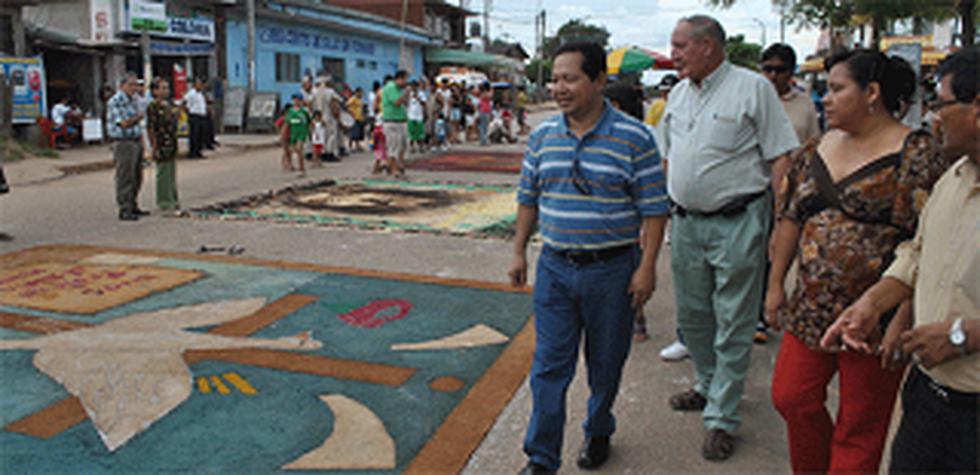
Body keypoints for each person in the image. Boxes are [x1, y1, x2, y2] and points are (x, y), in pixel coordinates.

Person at [766, 49, 946, 474]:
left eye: (836, 89)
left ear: (872, 93)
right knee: (792, 397)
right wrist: (776, 284)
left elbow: (923, 243)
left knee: (860, 424)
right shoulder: (818, 147)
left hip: (875, 317)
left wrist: (903, 315)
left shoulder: (914, 153)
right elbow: (791, 216)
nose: (824, 99)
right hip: (811, 309)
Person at [510, 41, 669, 475]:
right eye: (555, 78)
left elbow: (655, 209)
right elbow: (528, 198)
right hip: (556, 269)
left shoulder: (635, 138)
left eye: (570, 78)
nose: (559, 88)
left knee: (605, 364)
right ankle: (541, 458)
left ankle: (599, 428)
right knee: (549, 367)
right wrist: (519, 250)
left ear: (599, 81)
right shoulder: (542, 136)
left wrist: (647, 267)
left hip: (613, 271)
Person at [821, 45, 978, 474]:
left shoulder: (923, 158)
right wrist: (871, 305)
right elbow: (916, 254)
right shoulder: (954, 179)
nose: (932, 117)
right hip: (930, 394)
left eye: (942, 104)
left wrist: (965, 336)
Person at [655, 15, 799, 461]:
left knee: (734, 320)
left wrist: (778, 223)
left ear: (709, 47)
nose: (673, 54)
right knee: (695, 316)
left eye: (680, 46)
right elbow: (668, 159)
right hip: (687, 224)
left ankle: (722, 417)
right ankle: (708, 383)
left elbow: (781, 158)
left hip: (739, 221)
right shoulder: (677, 94)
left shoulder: (752, 88)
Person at [106, 73, 147, 221]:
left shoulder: (133, 100)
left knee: (137, 176)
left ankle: (133, 204)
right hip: (123, 142)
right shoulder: (116, 101)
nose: (134, 88)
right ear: (122, 86)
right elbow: (123, 123)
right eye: (131, 85)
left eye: (135, 85)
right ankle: (125, 208)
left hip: (135, 139)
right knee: (125, 176)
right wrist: (138, 118)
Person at [146, 78, 181, 214]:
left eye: (167, 88)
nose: (166, 91)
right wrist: (153, 146)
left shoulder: (169, 105)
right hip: (161, 143)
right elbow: (151, 128)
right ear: (154, 91)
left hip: (171, 142)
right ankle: (164, 201)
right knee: (163, 172)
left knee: (171, 172)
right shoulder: (153, 107)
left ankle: (173, 198)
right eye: (162, 88)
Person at [381, 70, 411, 177]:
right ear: (400, 78)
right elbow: (397, 102)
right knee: (393, 146)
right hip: (392, 121)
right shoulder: (391, 87)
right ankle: (394, 169)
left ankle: (394, 166)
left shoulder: (398, 89)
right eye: (405, 80)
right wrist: (405, 94)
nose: (406, 83)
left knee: (401, 145)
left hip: (400, 120)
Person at [312, 75, 342, 162]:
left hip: (318, 117)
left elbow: (309, 103)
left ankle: (322, 153)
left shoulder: (315, 92)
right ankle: (330, 153)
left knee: (321, 136)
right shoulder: (330, 92)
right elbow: (337, 101)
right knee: (331, 135)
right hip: (330, 116)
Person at [284, 93, 312, 176]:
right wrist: (284, 134)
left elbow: (310, 122)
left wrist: (311, 133)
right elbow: (287, 123)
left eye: (298, 100)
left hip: (302, 132)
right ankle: (291, 165)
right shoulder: (290, 111)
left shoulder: (304, 111)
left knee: (299, 149)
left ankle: (302, 169)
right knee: (292, 150)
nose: (296, 102)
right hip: (293, 133)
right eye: (294, 100)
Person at [183, 78, 208, 159]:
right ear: (194, 85)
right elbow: (185, 103)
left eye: (201, 84)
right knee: (194, 135)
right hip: (194, 116)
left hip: (201, 116)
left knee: (200, 135)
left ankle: (198, 151)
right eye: (198, 84)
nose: (200, 86)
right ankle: (192, 152)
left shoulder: (200, 94)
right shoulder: (191, 93)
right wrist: (189, 112)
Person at [407, 82, 426, 153]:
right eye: (412, 86)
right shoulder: (409, 94)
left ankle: (421, 147)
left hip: (419, 116)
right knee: (411, 133)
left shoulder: (421, 94)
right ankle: (412, 147)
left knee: (420, 133)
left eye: (415, 86)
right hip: (411, 115)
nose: (414, 88)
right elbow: (406, 103)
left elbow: (424, 103)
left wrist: (418, 98)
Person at [347, 88, 365, 152]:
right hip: (354, 118)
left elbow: (361, 109)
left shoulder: (360, 100)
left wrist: (363, 116)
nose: (362, 94)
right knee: (352, 133)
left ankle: (357, 146)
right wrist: (352, 113)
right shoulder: (353, 99)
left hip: (359, 118)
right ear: (357, 92)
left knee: (358, 133)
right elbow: (347, 106)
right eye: (360, 92)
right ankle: (350, 146)